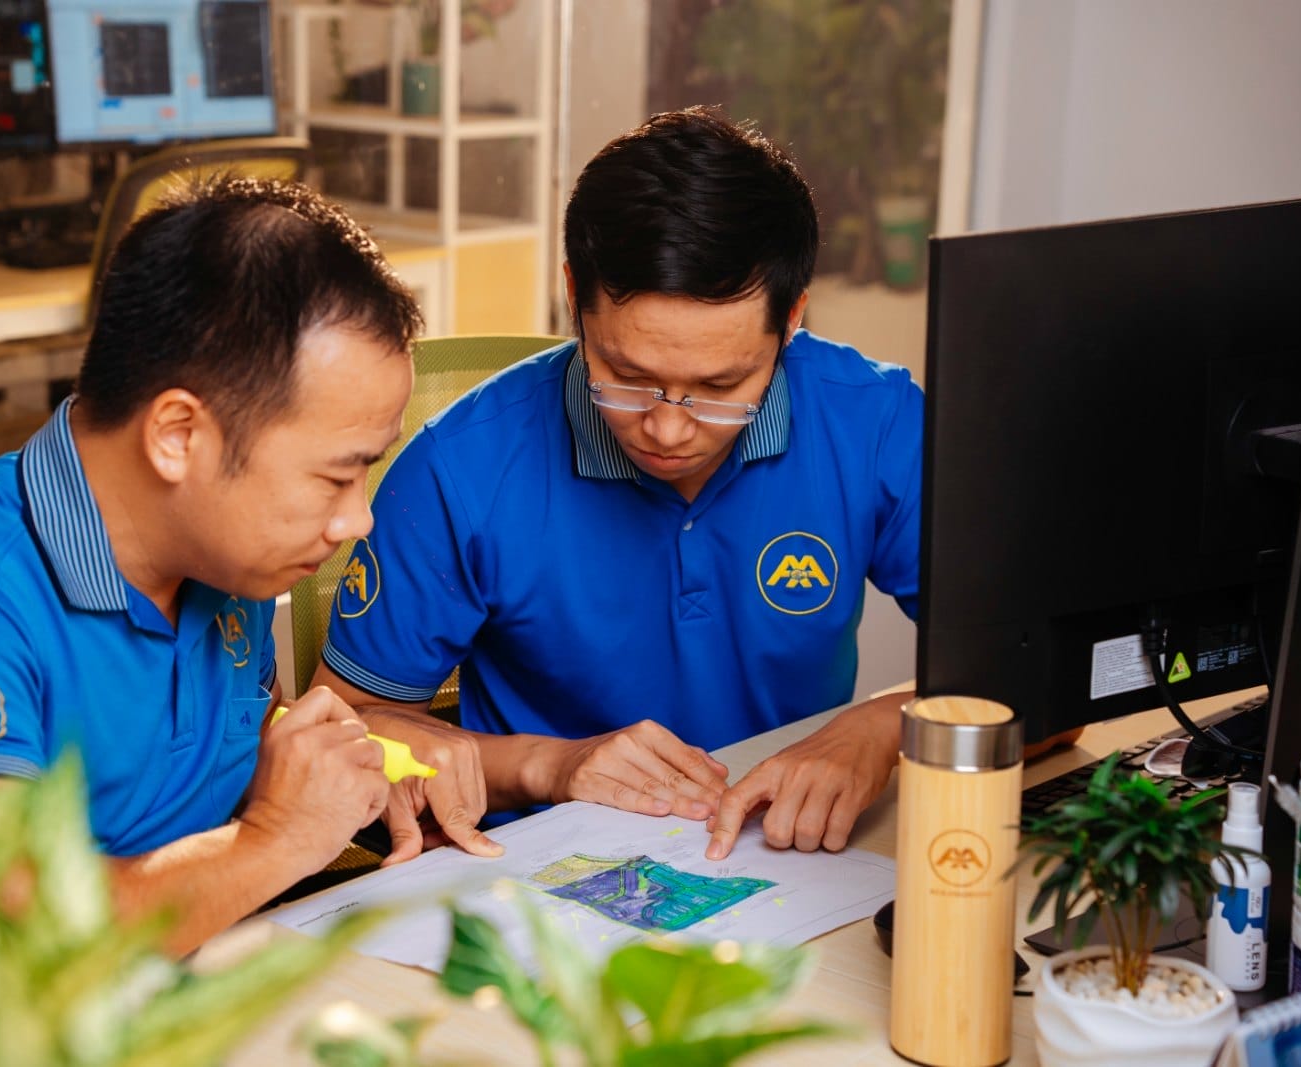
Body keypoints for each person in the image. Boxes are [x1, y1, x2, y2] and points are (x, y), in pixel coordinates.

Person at [0, 177, 423, 956]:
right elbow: (6, 931)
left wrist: (352, 766)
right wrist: (279, 835)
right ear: (178, 435)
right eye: (336, 475)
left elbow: (228, 742)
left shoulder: (230, 562)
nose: (358, 520)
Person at [313, 107, 922, 864]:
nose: (667, 429)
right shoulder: (459, 468)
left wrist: (885, 727)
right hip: (545, 874)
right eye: (627, 376)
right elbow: (343, 730)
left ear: (791, 319)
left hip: (795, 859)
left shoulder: (875, 421)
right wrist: (554, 767)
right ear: (575, 295)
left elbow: (1033, 658)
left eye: (719, 386)